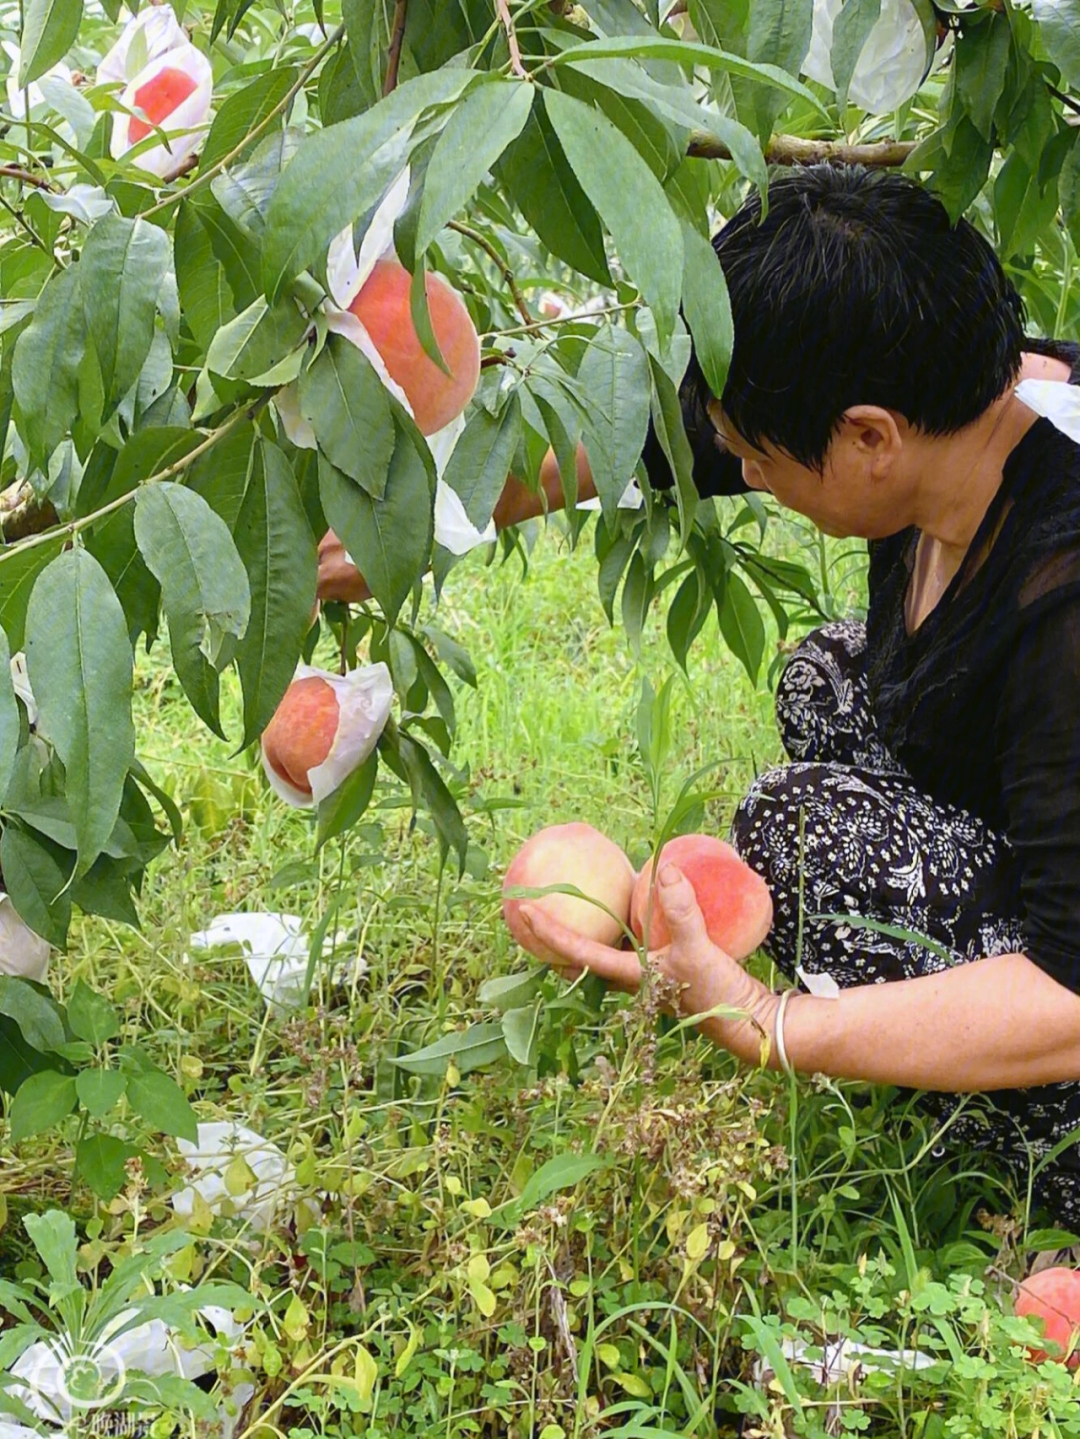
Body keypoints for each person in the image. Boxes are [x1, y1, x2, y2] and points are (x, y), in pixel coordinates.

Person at [511, 166, 1080, 1230]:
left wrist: (764, 1018)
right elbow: (676, 431)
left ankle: (1020, 1149)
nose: (749, 473)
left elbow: (1075, 996)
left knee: (805, 828)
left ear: (868, 438)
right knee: (826, 672)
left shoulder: (1066, 589)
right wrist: (428, 519)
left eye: (766, 461)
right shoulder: (964, 390)